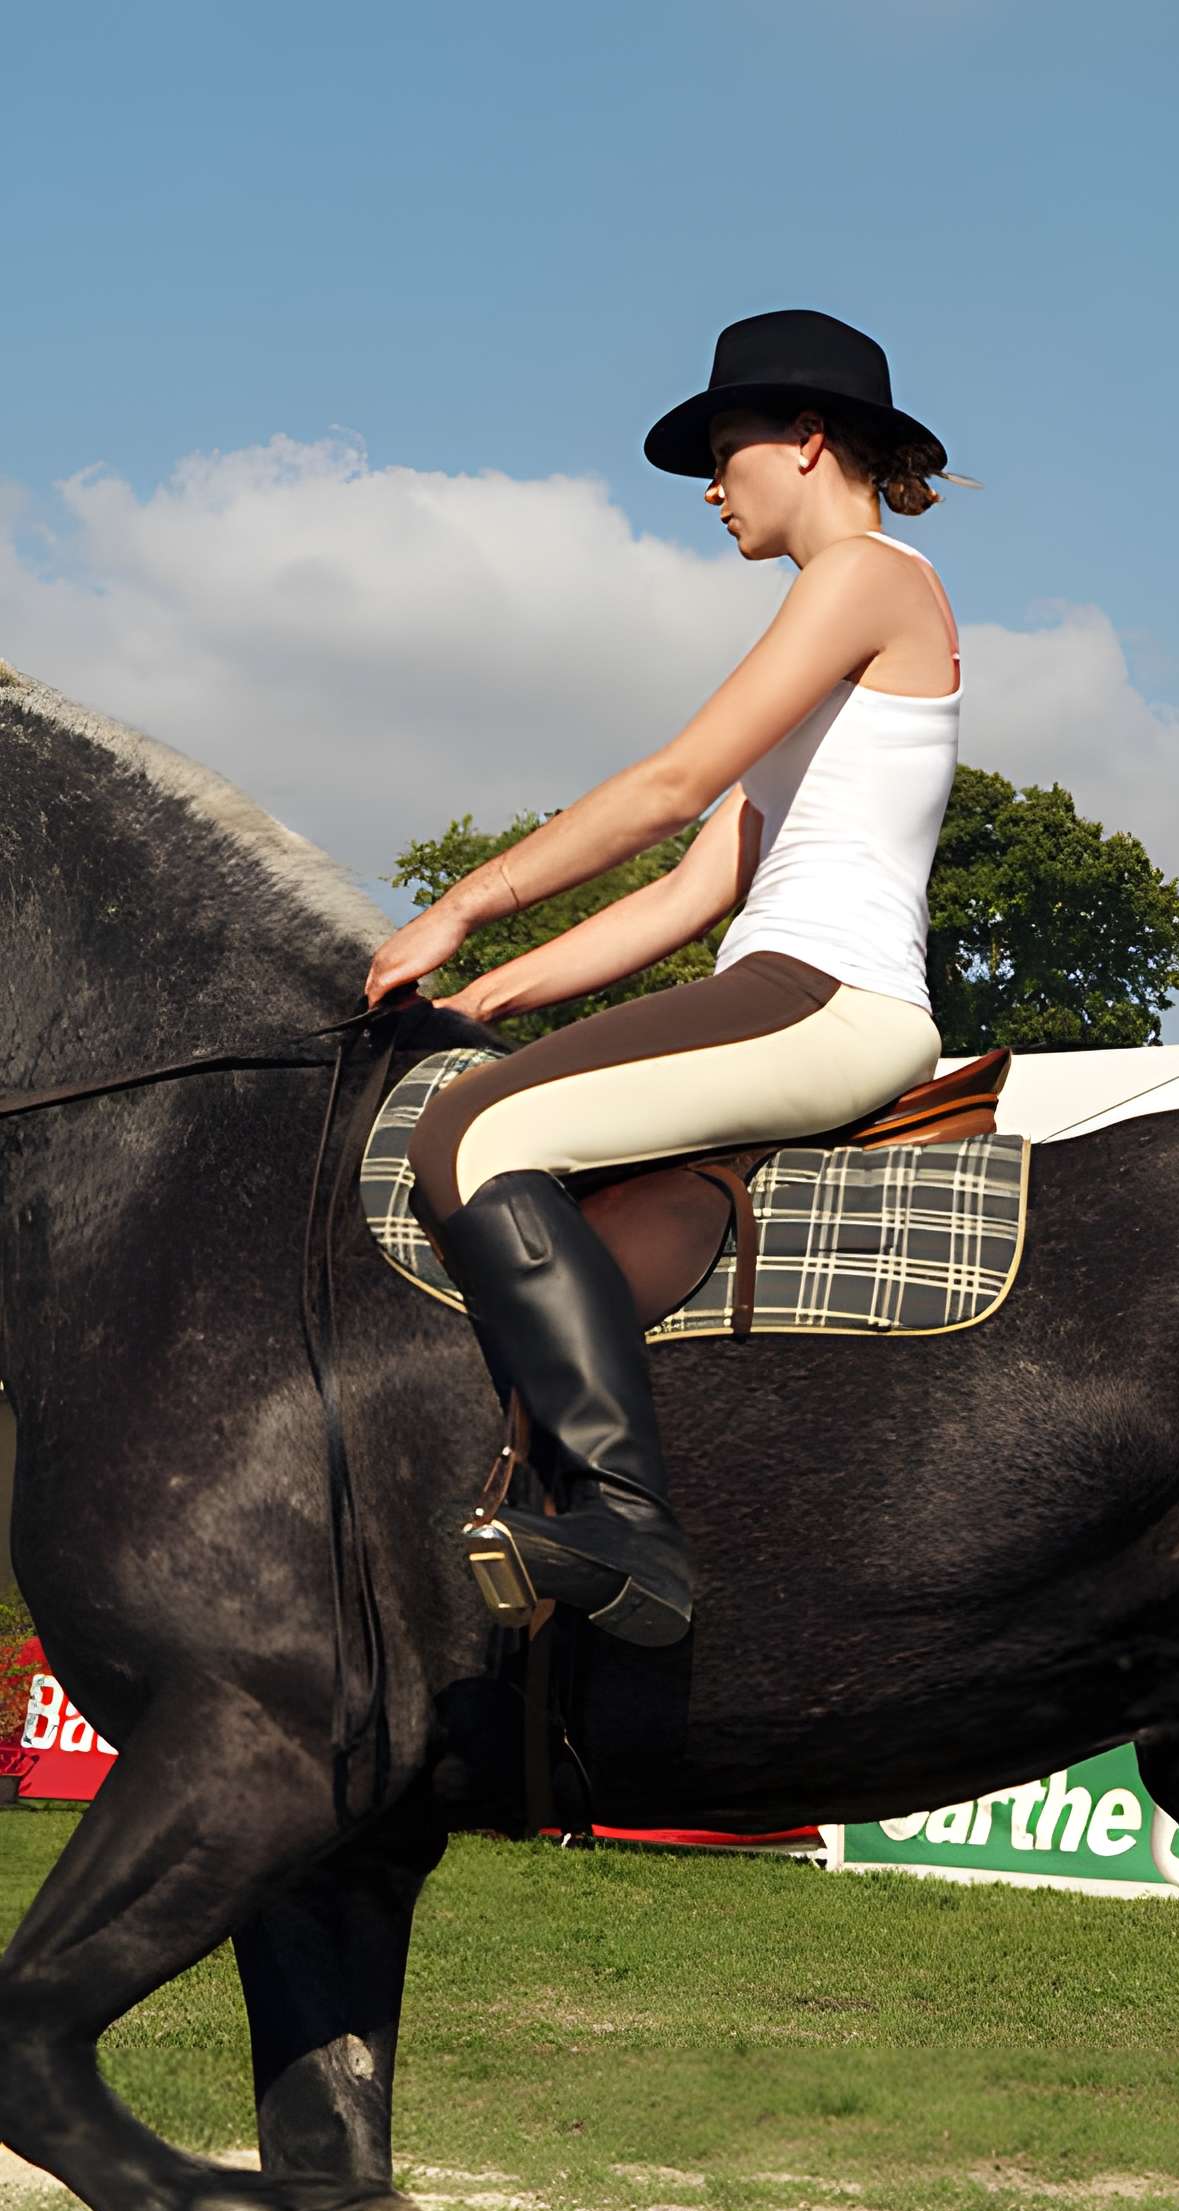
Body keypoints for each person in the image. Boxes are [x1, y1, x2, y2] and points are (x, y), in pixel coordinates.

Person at [364, 308, 969, 1648]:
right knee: (476, 1080)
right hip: (782, 980)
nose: (709, 485)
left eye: (723, 450)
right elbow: (690, 890)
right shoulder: (833, 633)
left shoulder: (866, 576)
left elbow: (670, 784)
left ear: (807, 441)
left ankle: (628, 1528)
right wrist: (483, 1000)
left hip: (827, 994)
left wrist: (457, 909)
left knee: (470, 1134)